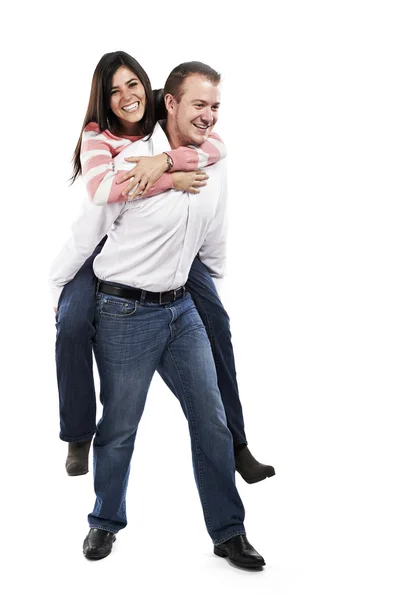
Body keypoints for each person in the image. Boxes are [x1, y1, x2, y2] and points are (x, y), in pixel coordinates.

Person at [50, 52, 266, 569]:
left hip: (182, 310)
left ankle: (228, 532)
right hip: (125, 313)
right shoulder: (131, 159)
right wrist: (61, 286)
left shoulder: (213, 160)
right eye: (198, 103)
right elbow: (90, 227)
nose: (209, 114)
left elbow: (214, 236)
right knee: (121, 426)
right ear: (169, 103)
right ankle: (104, 522)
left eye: (215, 105)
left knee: (211, 421)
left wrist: (207, 282)